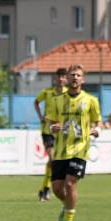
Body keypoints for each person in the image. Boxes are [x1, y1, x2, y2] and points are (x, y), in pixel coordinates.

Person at [46, 64, 101, 221]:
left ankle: (68, 219)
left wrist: (97, 129)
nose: (75, 77)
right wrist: (52, 128)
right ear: (67, 78)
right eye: (72, 75)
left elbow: (97, 121)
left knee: (70, 184)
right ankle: (68, 204)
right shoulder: (56, 101)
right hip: (61, 151)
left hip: (80, 149)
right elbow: (51, 123)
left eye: (78, 75)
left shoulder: (91, 100)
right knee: (56, 189)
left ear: (82, 79)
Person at [34, 68, 67, 201]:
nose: (60, 79)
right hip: (47, 131)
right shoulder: (47, 92)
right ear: (55, 78)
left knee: (54, 162)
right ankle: (47, 189)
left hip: (61, 131)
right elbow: (36, 102)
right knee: (53, 159)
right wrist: (41, 116)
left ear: (65, 79)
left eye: (63, 77)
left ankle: (44, 189)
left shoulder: (68, 94)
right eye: (58, 76)